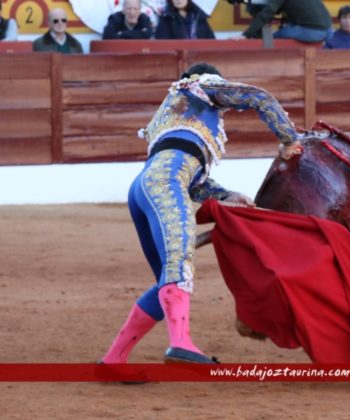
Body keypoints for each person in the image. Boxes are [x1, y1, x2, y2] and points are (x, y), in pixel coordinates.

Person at [100, 62, 303, 365]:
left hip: (143, 188)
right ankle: (180, 343)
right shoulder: (204, 86)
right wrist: (290, 139)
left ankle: (114, 359)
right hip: (166, 185)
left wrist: (227, 195)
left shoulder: (169, 114)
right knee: (179, 268)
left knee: (165, 283)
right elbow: (259, 97)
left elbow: (191, 177)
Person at [234, 0, 332, 43]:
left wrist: (246, 34)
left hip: (312, 31)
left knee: (271, 40)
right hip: (328, 30)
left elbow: (267, 12)